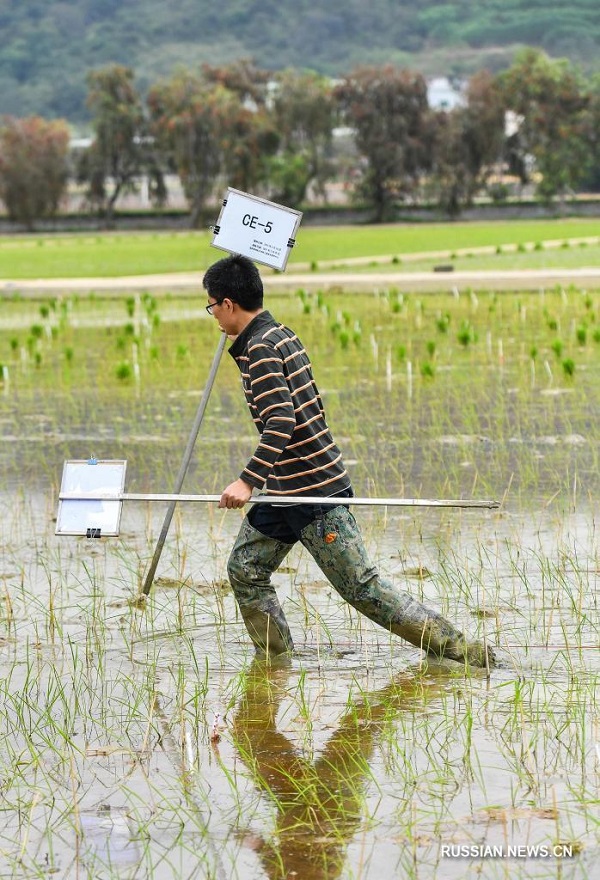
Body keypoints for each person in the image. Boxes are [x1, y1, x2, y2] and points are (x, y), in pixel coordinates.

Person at [202, 254, 495, 668]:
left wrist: (247, 481)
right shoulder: (279, 334)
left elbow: (282, 419)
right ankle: (274, 661)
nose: (212, 315)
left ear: (229, 304)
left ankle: (462, 651)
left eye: (212, 305)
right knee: (246, 569)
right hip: (285, 489)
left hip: (313, 492)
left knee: (362, 588)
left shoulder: (263, 350)